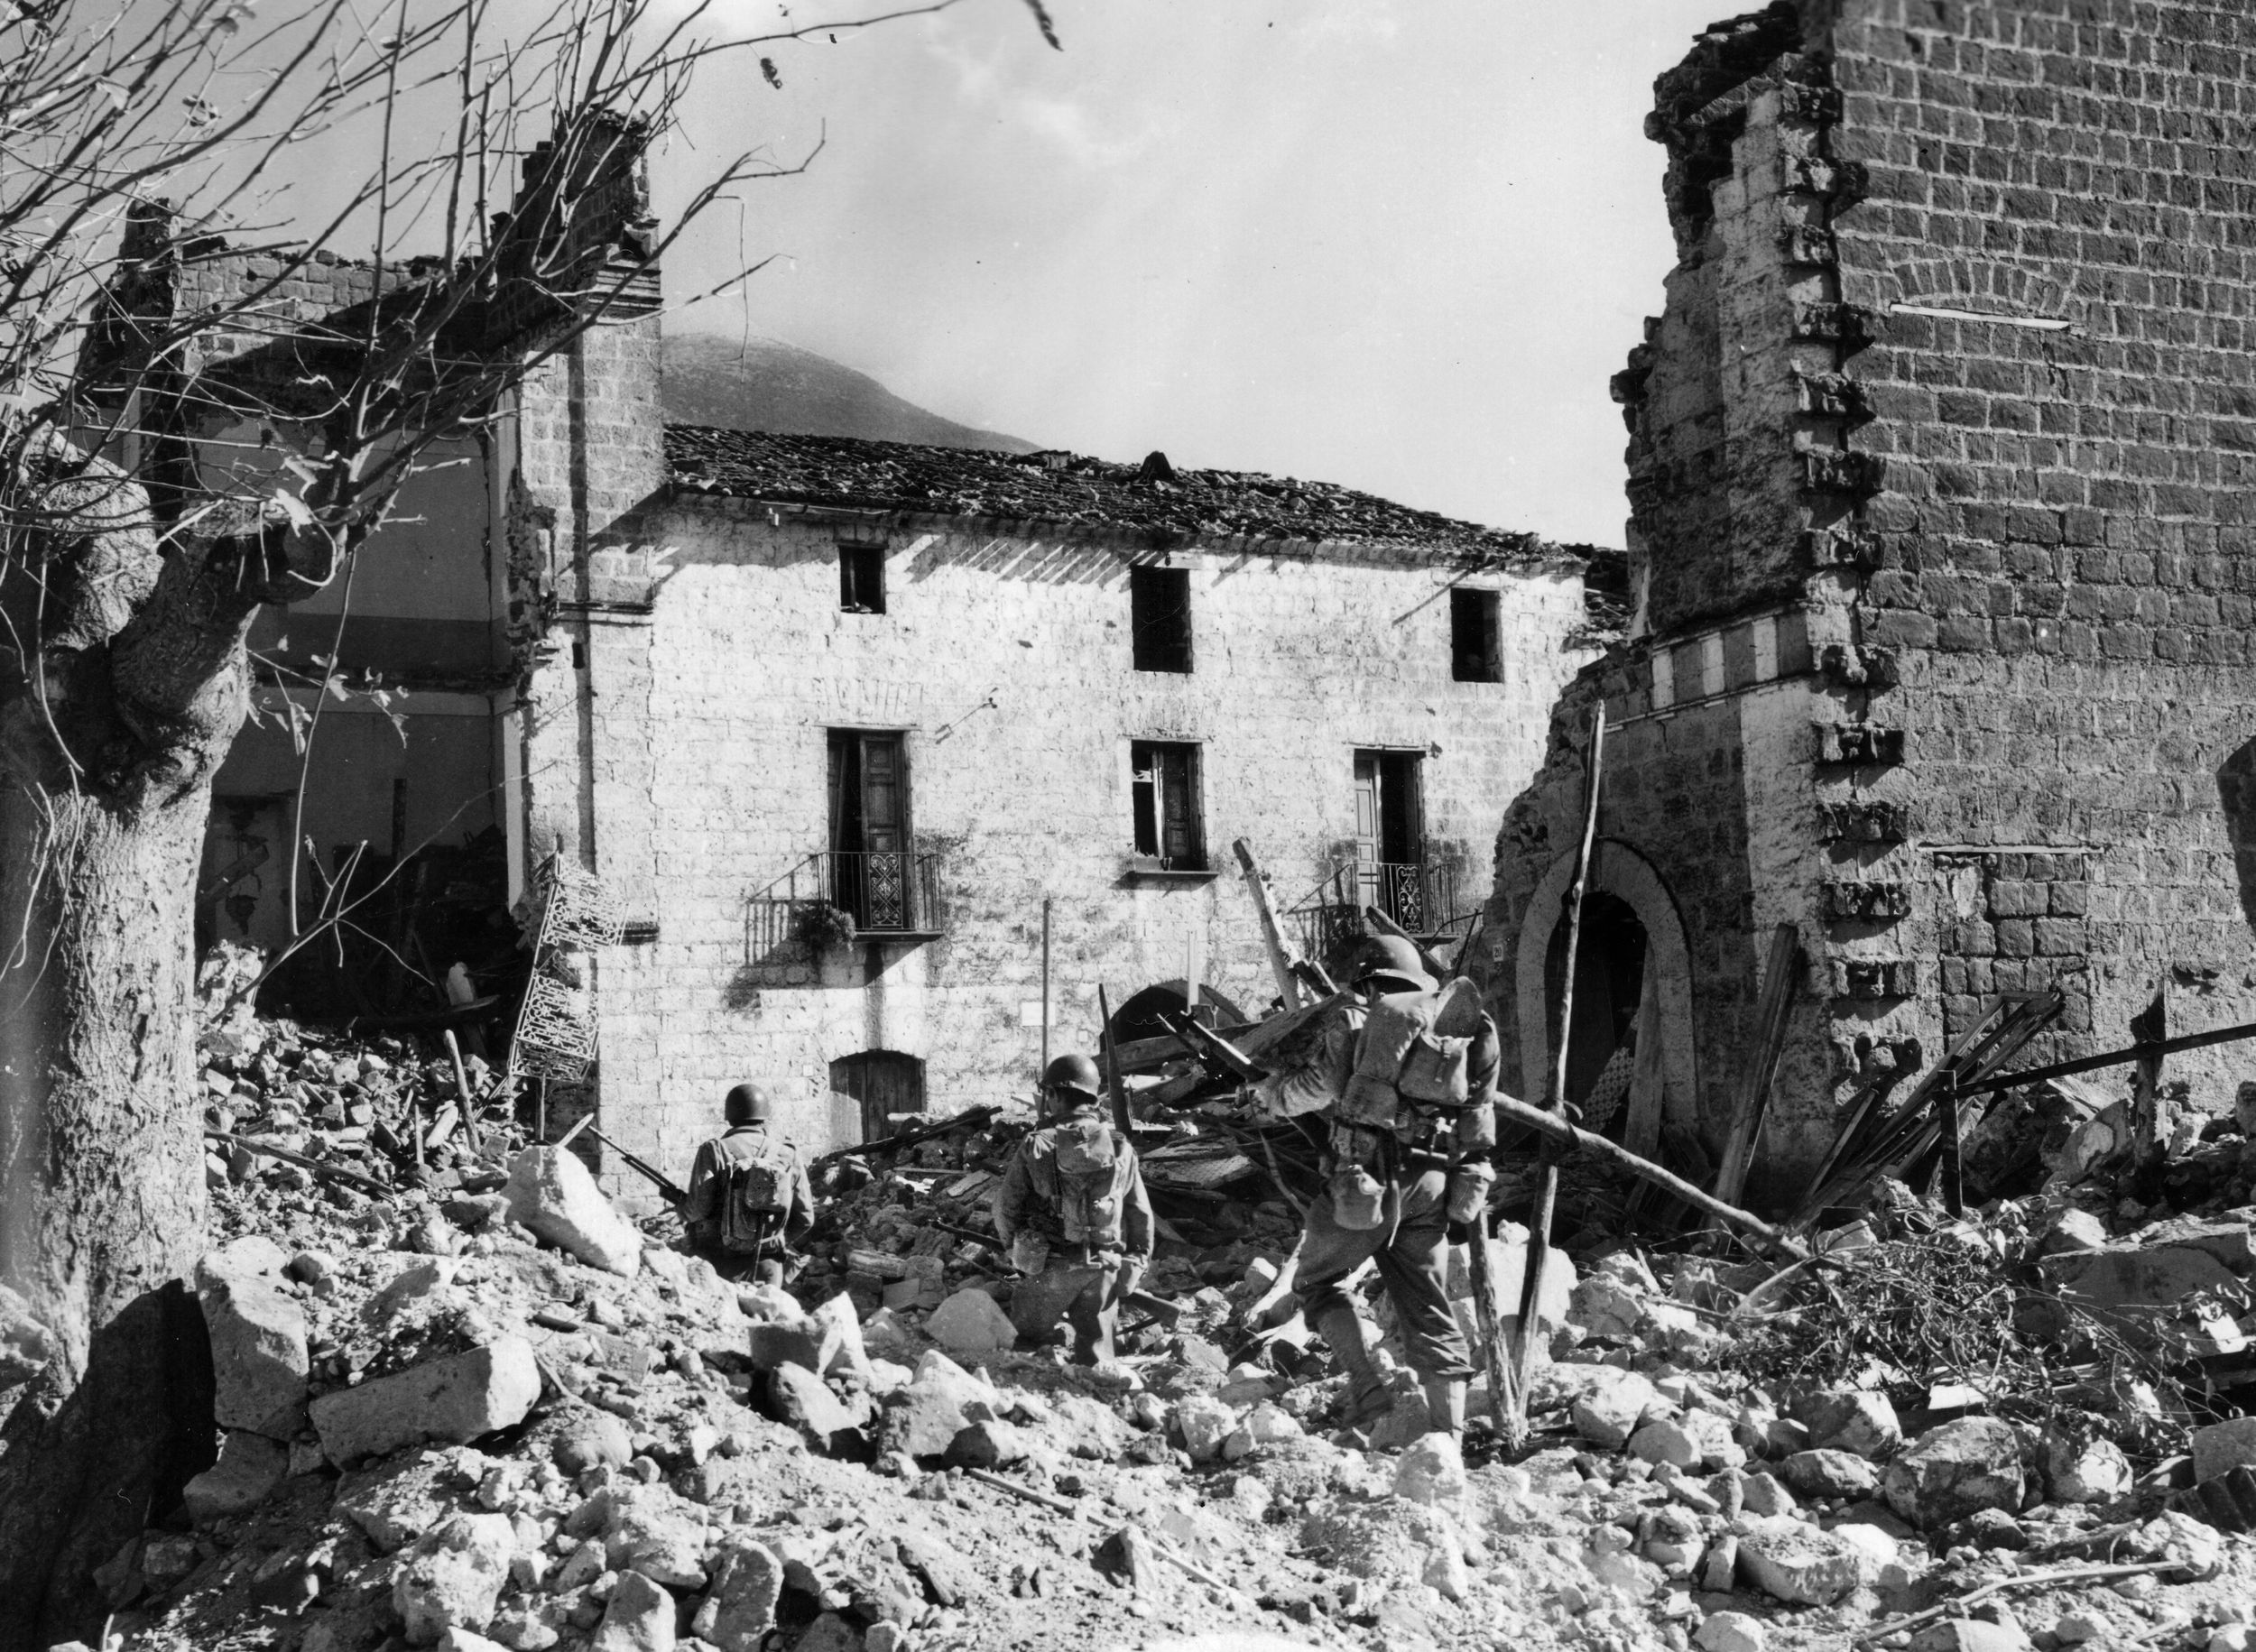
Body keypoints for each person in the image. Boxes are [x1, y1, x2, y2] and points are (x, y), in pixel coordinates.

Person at [1295, 933, 1502, 1440]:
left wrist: (1265, 1097)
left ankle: (1367, 1389)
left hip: (1364, 1181)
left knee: (1318, 1283)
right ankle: (1447, 1438)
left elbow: (1313, 1092)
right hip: (1432, 1183)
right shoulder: (1462, 1029)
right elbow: (1479, 1112)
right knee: (1429, 1307)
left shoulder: (1355, 1023)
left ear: (1366, 981)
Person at [992, 1052, 1154, 1365]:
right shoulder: (1121, 1146)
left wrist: (1015, 1251)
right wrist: (1135, 1263)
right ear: (1092, 1097)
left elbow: (1006, 1208)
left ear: (1053, 1095)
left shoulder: (1036, 1144)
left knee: (1020, 1353)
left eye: (1047, 1094)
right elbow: (1140, 1214)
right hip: (1104, 1268)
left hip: (1048, 1269)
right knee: (1097, 1364)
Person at [682, 1083, 815, 1286]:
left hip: (722, 1265)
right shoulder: (787, 1154)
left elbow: (697, 1209)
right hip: (770, 1266)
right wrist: (773, 1240)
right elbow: (805, 1218)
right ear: (764, 1117)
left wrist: (681, 1206)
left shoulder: (714, 1150)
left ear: (729, 1116)